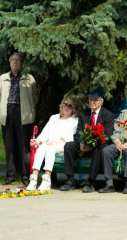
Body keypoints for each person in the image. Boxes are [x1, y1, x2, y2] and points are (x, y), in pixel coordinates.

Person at [59, 88, 115, 193]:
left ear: (101, 101)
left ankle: (90, 182)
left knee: (99, 148)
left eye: (95, 100)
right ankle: (70, 181)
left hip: (98, 146)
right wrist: (81, 143)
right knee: (69, 146)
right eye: (90, 99)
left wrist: (92, 144)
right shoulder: (83, 114)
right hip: (83, 146)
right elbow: (77, 133)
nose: (92, 102)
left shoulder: (108, 115)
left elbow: (107, 136)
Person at [0, 52, 38, 186]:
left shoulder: (29, 78)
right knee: (9, 146)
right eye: (13, 61)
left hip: (23, 114)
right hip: (7, 114)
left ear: (22, 64)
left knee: (24, 147)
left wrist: (30, 110)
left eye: (18, 61)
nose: (15, 63)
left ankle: (25, 175)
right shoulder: (2, 78)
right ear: (9, 63)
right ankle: (10, 175)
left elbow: (35, 97)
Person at [26, 96, 78, 190]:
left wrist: (54, 142)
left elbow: (70, 136)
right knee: (41, 148)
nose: (66, 108)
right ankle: (33, 179)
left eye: (69, 106)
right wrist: (37, 141)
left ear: (73, 109)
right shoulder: (54, 117)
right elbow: (45, 132)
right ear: (61, 106)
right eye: (64, 105)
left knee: (49, 148)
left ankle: (46, 180)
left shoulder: (74, 120)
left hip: (62, 145)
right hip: (49, 144)